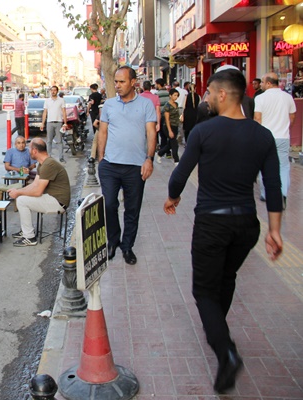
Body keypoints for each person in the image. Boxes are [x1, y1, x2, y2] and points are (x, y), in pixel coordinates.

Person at [163, 68, 283, 394]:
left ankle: (226, 352)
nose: (205, 99)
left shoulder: (204, 132)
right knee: (226, 278)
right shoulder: (262, 136)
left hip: (212, 223)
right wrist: (275, 231)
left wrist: (172, 198)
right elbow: (273, 186)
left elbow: (179, 175)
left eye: (208, 93)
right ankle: (218, 331)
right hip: (247, 226)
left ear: (221, 94)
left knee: (203, 291)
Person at [98, 66, 157, 265]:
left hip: (135, 167)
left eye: (122, 82)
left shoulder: (146, 105)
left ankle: (127, 246)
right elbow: (103, 132)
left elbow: (151, 133)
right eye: (116, 81)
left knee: (132, 209)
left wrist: (149, 158)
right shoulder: (109, 105)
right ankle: (112, 241)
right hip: (110, 165)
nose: (117, 85)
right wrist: (101, 160)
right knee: (109, 204)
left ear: (133, 82)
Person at [7, 138, 71, 247]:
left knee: (22, 200)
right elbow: (34, 184)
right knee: (21, 197)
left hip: (58, 202)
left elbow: (37, 191)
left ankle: (29, 237)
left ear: (35, 151)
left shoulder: (48, 165)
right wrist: (19, 191)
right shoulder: (43, 163)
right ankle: (26, 230)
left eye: (29, 148)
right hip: (52, 197)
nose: (28, 151)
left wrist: (18, 193)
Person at [254, 71, 296, 207]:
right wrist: (285, 126)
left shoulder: (260, 98)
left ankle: (266, 194)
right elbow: (292, 117)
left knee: (264, 165)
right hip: (283, 137)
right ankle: (282, 194)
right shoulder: (288, 97)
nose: (260, 84)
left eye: (262, 82)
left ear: (268, 83)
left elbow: (257, 118)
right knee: (283, 166)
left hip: (265, 137)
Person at [40, 85, 68, 162]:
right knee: (49, 141)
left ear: (57, 91)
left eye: (54, 90)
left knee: (59, 141)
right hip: (49, 122)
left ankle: (61, 157)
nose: (53, 92)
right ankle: (48, 157)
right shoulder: (47, 101)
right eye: (51, 90)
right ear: (50, 91)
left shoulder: (61, 100)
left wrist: (65, 123)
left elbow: (64, 112)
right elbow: (45, 112)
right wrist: (42, 123)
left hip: (58, 122)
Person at [156, 88, 180, 165]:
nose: (176, 97)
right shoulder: (167, 106)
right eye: (174, 95)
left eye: (177, 95)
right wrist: (169, 130)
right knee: (174, 143)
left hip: (175, 125)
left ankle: (160, 153)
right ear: (170, 96)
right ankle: (176, 160)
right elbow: (166, 119)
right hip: (168, 126)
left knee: (170, 143)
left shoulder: (176, 104)